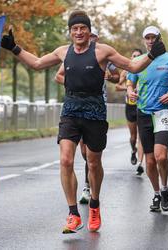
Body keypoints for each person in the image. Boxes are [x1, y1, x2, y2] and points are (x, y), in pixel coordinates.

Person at [1, 11, 165, 233]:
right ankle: (73, 213)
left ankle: (95, 205)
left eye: (83, 28)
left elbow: (132, 66)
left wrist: (152, 55)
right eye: (74, 29)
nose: (78, 32)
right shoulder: (63, 51)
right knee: (66, 160)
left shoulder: (102, 51)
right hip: (70, 110)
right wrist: (14, 48)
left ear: (89, 31)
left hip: (95, 112)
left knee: (93, 163)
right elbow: (38, 63)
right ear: (70, 32)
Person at [127, 26, 168, 212]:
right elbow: (130, 82)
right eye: (147, 37)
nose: (150, 40)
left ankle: (165, 188)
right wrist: (130, 91)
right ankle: (156, 193)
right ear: (144, 40)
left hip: (164, 112)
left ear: (159, 38)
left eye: (154, 37)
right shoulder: (138, 61)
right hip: (144, 113)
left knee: (161, 156)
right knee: (149, 161)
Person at [55, 28, 120, 204]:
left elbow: (117, 76)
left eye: (93, 36)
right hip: (75, 107)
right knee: (81, 153)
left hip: (97, 107)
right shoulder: (72, 54)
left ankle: (90, 191)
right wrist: (74, 79)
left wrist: (108, 76)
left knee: (93, 158)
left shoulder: (103, 54)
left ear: (96, 38)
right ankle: (85, 187)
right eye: (88, 36)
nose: (89, 39)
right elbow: (58, 75)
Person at [116, 48, 145, 175]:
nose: (136, 58)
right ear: (131, 57)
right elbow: (117, 86)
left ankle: (140, 163)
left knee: (141, 136)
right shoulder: (125, 71)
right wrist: (129, 89)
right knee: (133, 137)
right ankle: (133, 150)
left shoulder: (145, 69)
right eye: (134, 55)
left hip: (142, 106)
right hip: (130, 106)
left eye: (139, 56)